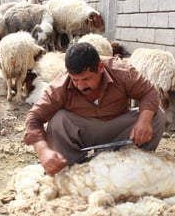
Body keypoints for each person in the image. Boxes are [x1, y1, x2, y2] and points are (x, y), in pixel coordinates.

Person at [24, 42, 166, 176]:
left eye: (86, 79)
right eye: (75, 80)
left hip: (119, 128)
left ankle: (137, 164)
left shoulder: (121, 71)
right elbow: (33, 118)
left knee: (156, 115)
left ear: (100, 68)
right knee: (58, 119)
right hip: (84, 133)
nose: (80, 86)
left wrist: (144, 121)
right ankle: (72, 168)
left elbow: (149, 93)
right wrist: (43, 152)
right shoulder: (59, 87)